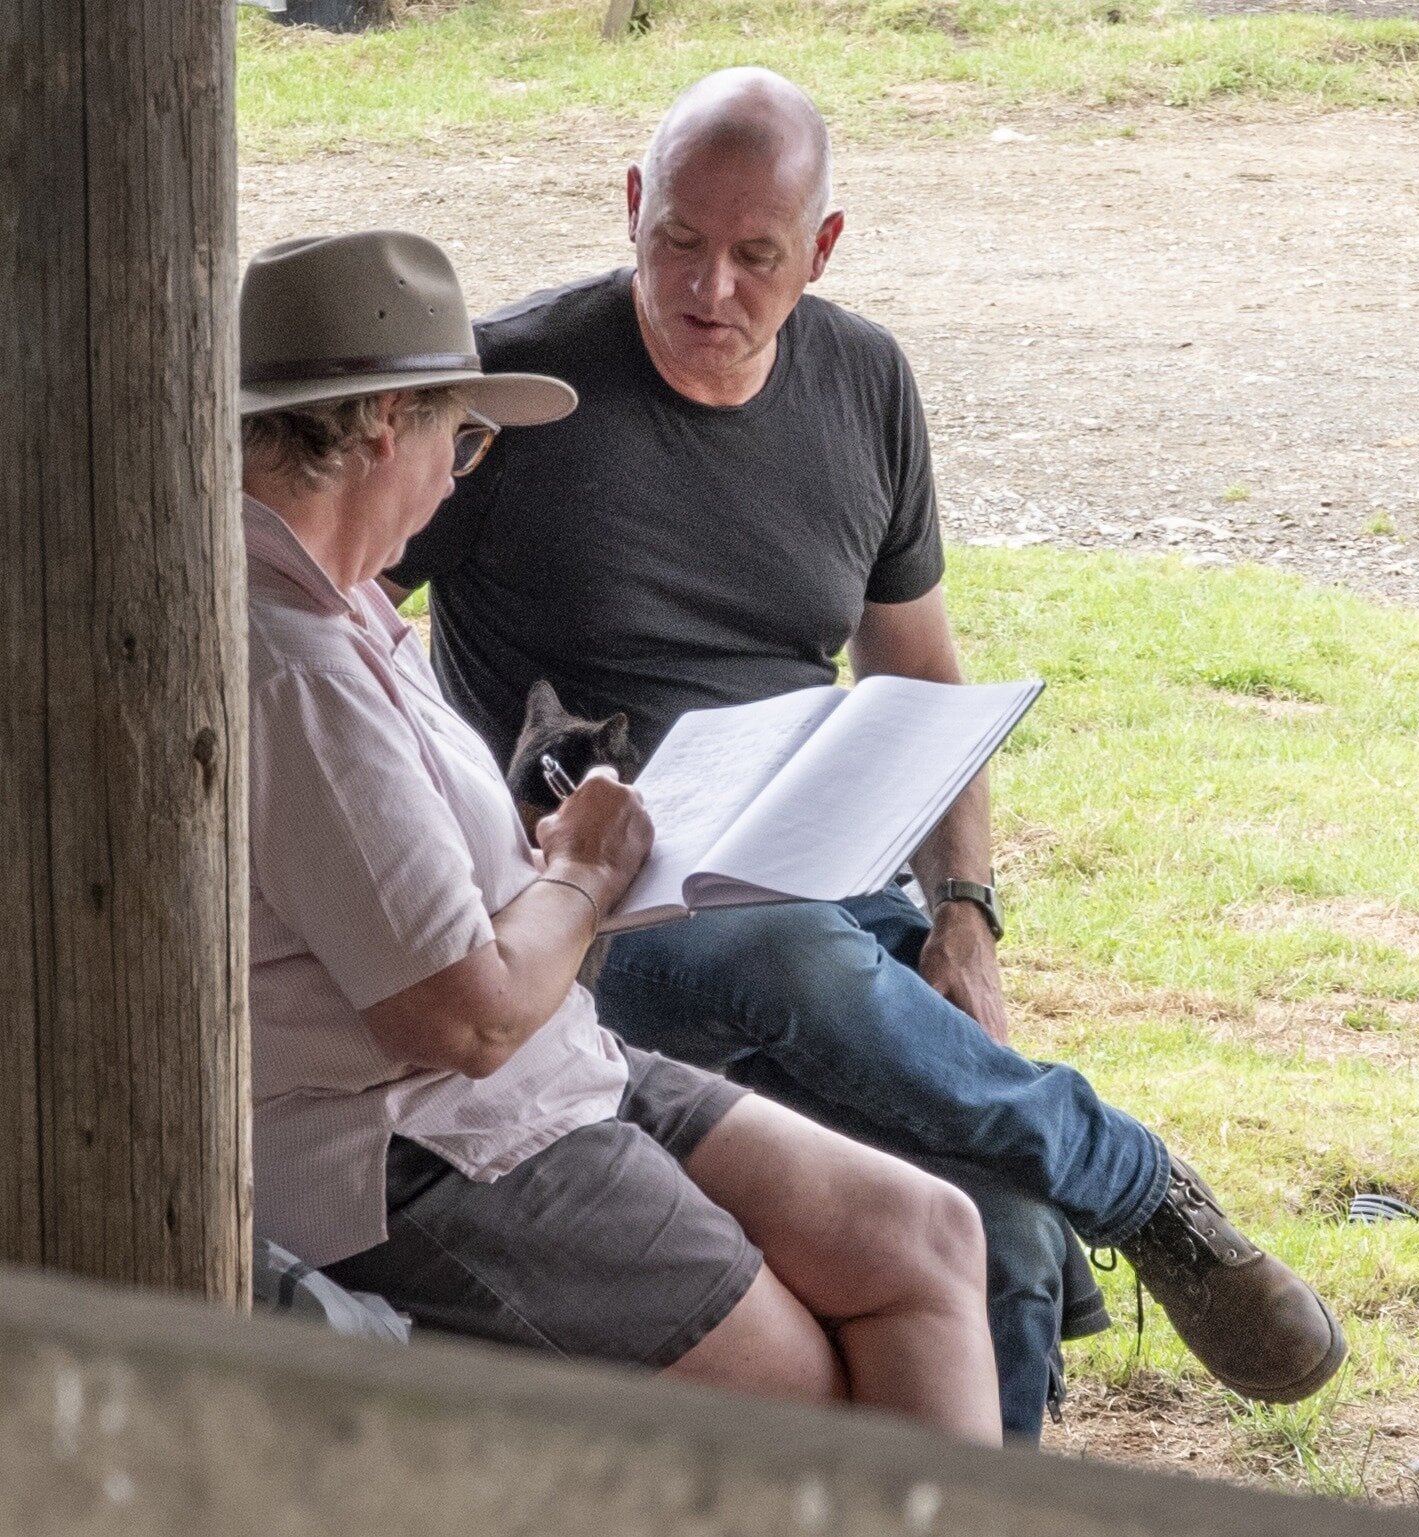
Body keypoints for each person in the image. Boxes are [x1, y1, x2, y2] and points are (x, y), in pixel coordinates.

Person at [386, 69, 1347, 1436]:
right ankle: (1143, 1189)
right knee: (778, 953)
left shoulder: (865, 379)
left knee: (999, 1222)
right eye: (674, 241)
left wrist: (965, 916)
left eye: (754, 255)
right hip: (596, 910)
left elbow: (919, 678)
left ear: (821, 250)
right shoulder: (521, 395)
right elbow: (334, 604)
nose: (707, 285)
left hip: (819, 883)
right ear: (628, 209)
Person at [243, 227, 1005, 1445]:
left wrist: (538, 858)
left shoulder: (343, 606)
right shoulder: (291, 667)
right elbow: (465, 1016)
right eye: (466, 437)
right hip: (420, 1145)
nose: (456, 477)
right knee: (806, 1399)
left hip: (550, 1072)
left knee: (928, 1234)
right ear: (389, 423)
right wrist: (582, 874)